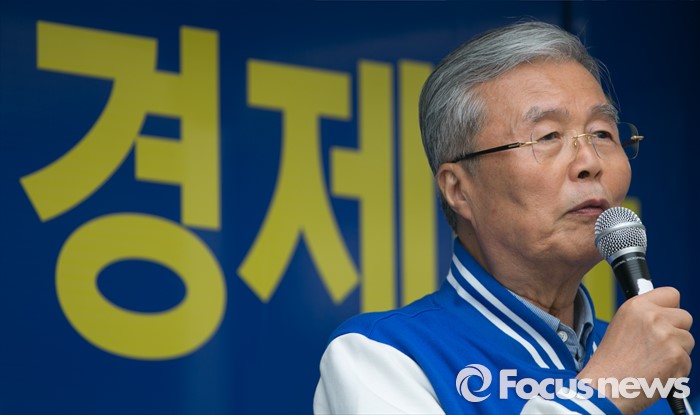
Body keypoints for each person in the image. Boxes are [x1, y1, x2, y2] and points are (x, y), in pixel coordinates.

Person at [313, 20, 694, 415]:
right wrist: (603, 393)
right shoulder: (383, 357)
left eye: (602, 134)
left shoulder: (649, 354)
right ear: (459, 189)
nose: (589, 162)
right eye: (547, 137)